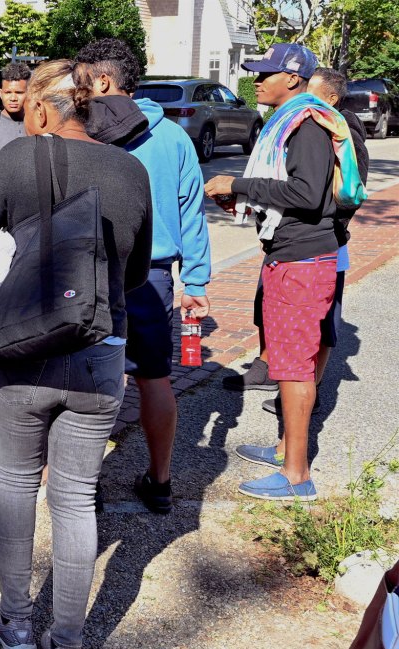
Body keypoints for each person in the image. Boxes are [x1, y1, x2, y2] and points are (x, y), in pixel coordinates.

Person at [0, 59, 153, 649]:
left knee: (14, 482)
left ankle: (15, 622)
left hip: (22, 351)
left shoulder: (17, 159)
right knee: (77, 497)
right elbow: (135, 273)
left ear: (39, 108)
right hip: (100, 349)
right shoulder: (131, 169)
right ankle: (65, 648)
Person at [205, 44, 366, 501]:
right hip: (292, 254)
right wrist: (248, 199)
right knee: (290, 361)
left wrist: (237, 183)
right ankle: (283, 451)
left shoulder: (308, 123)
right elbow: (294, 192)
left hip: (302, 260)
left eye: (265, 73)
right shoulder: (293, 118)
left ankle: (297, 475)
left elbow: (307, 192)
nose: (255, 80)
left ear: (293, 79)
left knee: (294, 368)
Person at [74, 37, 212, 514]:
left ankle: (82, 484)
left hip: (94, 271)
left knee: (92, 381)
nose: (78, 93)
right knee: (155, 378)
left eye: (82, 82)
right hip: (153, 278)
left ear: (104, 81)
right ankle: (160, 480)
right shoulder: (174, 137)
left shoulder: (86, 131)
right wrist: (195, 281)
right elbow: (191, 211)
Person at [229, 67, 370, 417]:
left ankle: (300, 418)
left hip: (314, 250)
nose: (257, 81)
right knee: (280, 326)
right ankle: (279, 382)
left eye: (315, 95)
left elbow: (332, 194)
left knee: (314, 337)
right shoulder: (293, 123)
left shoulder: (321, 125)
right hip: (292, 245)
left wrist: (324, 231)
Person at [0, 62, 30, 149]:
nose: (13, 98)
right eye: (8, 92)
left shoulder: (38, 122)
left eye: (19, 92)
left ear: (29, 93)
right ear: (1, 94)